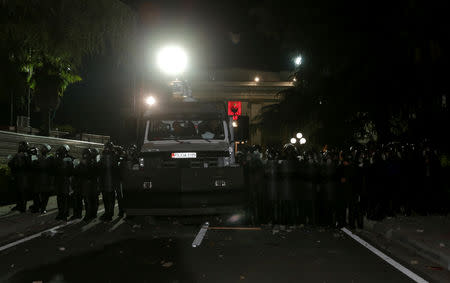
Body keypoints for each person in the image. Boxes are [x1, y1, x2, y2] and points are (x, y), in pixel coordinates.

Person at [8, 141, 31, 213]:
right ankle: (18, 206)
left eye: (21, 145)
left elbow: (28, 165)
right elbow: (11, 164)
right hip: (18, 176)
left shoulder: (27, 155)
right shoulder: (18, 154)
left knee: (22, 192)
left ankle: (22, 207)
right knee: (18, 192)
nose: (20, 146)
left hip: (23, 176)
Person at [99, 142, 118, 222]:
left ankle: (109, 214)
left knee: (110, 199)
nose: (106, 149)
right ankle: (107, 213)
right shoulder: (103, 156)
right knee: (106, 198)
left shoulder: (114, 156)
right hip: (105, 181)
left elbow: (115, 168)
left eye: (107, 147)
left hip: (110, 181)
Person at [54, 145, 74, 221]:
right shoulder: (61, 158)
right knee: (61, 197)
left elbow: (71, 171)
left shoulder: (69, 159)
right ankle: (62, 213)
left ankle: (64, 213)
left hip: (65, 180)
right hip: (61, 180)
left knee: (64, 198)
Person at [36, 144, 55, 214]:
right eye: (42, 148)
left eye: (44, 149)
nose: (43, 150)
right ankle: (41, 207)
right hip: (40, 178)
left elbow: (52, 169)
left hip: (47, 179)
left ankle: (43, 208)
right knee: (41, 194)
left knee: (45, 195)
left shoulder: (50, 158)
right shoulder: (38, 157)